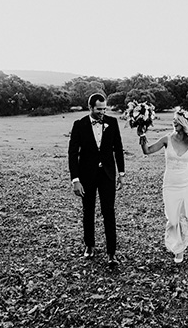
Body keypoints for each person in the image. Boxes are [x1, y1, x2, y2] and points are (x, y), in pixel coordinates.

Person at [138, 109, 188, 263]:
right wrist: (142, 136)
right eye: (173, 120)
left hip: (187, 183)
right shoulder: (167, 139)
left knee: (185, 218)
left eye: (177, 121)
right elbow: (147, 151)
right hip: (170, 184)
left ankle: (180, 250)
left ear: (185, 123)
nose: (174, 123)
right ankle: (175, 243)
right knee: (172, 219)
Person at [68, 93, 125, 266]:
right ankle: (89, 245)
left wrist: (121, 173)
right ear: (90, 107)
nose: (102, 112)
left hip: (107, 174)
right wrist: (75, 179)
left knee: (109, 212)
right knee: (88, 210)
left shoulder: (112, 122)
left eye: (104, 109)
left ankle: (111, 253)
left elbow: (118, 148)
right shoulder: (79, 125)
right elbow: (73, 153)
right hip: (87, 175)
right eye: (99, 109)